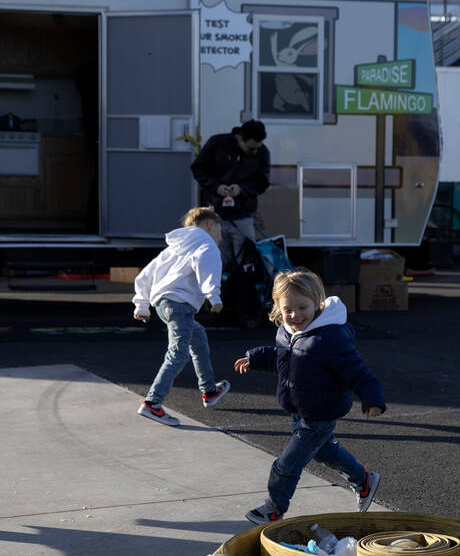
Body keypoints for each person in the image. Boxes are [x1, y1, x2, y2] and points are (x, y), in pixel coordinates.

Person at [234, 269, 384, 524]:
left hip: (320, 413)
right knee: (325, 452)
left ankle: (274, 507)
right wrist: (256, 358)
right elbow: (281, 356)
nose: (294, 315)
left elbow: (356, 371)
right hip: (299, 409)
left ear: (317, 303)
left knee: (287, 464)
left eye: (302, 307)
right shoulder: (287, 332)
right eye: (287, 310)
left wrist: (372, 398)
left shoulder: (329, 337)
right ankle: (364, 479)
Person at [133, 206, 231, 426]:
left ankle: (210, 391)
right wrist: (213, 297)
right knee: (178, 353)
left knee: (198, 337)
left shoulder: (173, 249)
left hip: (163, 304)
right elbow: (207, 266)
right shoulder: (206, 244)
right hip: (180, 305)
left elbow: (145, 275)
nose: (220, 237)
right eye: (220, 231)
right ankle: (152, 402)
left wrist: (142, 305)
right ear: (209, 225)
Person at [191, 120, 270, 266]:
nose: (255, 152)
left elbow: (263, 182)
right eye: (251, 148)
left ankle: (245, 287)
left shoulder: (262, 152)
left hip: (243, 215)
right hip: (214, 214)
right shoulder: (217, 144)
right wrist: (216, 187)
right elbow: (198, 168)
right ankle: (219, 287)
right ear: (240, 139)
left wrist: (242, 189)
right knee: (216, 260)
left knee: (247, 260)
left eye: (257, 148)